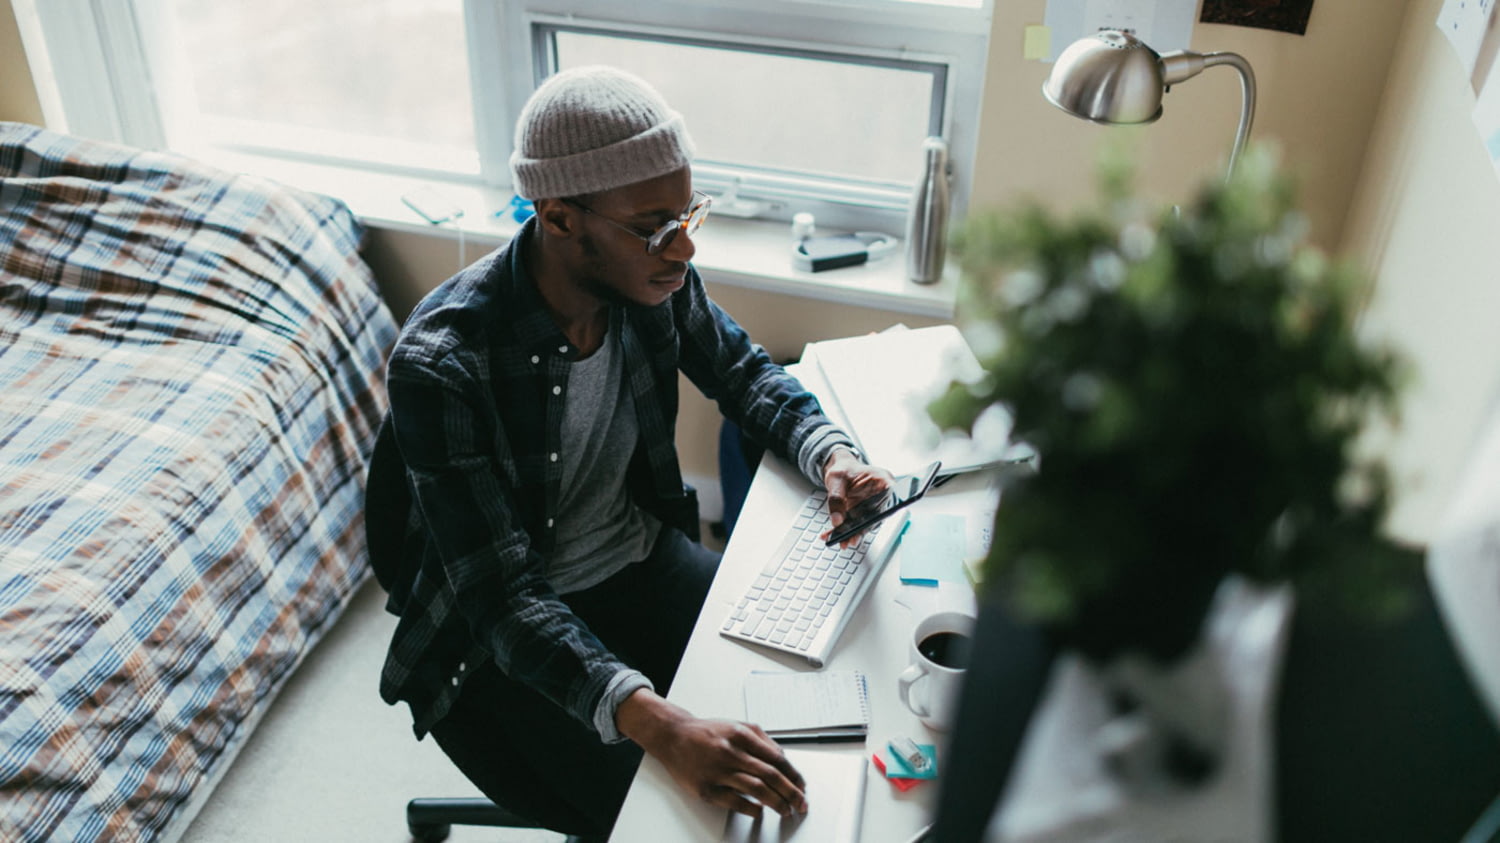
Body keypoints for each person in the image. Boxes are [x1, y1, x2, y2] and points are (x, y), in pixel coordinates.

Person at [367, 65, 893, 837]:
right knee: (694, 820)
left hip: (639, 562)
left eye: (689, 215)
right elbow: (503, 598)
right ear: (559, 218)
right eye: (653, 225)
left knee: (829, 688)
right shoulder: (443, 362)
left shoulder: (658, 277)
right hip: (502, 644)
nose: (680, 247)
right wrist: (662, 723)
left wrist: (830, 454)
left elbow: (743, 372)